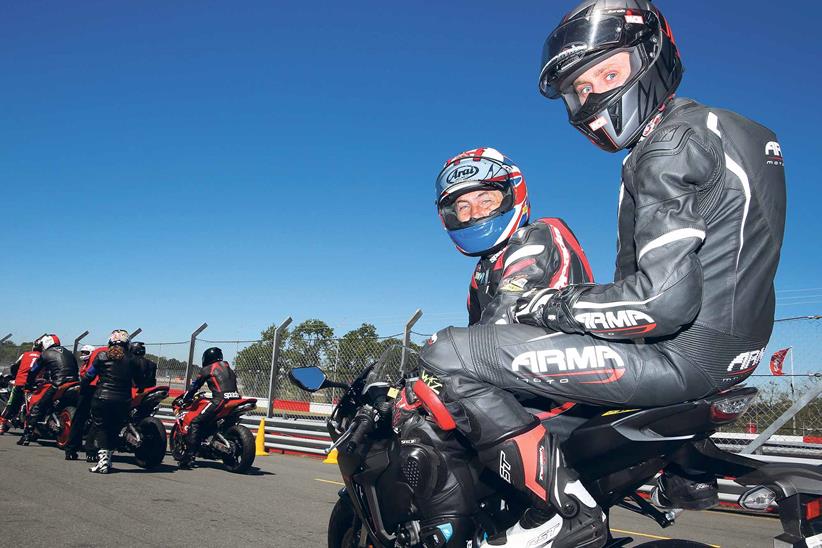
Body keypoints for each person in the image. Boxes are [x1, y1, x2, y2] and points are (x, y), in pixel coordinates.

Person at [419, 1, 786, 546]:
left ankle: (560, 511)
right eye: (580, 88)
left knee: (449, 351)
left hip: (680, 356)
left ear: (652, 54)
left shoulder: (666, 145)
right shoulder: (741, 129)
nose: (593, 97)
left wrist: (548, 306)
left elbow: (660, 302)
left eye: (608, 74)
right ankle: (683, 479)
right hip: (731, 348)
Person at [435, 147, 593, 326]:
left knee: (443, 347)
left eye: (485, 200)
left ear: (511, 195)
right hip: (513, 350)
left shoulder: (539, 234)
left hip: (561, 348)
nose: (475, 213)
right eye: (463, 207)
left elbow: (506, 316)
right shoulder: (481, 272)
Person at [82, 330, 144, 473]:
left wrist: (83, 388)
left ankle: (103, 462)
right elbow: (140, 381)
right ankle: (107, 460)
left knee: (102, 427)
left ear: (110, 343)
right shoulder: (133, 359)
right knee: (114, 428)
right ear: (127, 344)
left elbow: (88, 376)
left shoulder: (101, 356)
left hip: (102, 397)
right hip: (123, 399)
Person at [178, 347, 240, 469]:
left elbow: (194, 386)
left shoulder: (208, 369)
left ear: (207, 358)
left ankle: (189, 457)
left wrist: (185, 398)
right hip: (236, 400)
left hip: (221, 400)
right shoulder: (229, 368)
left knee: (195, 422)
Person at [19, 335, 79, 446]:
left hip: (59, 384)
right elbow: (75, 368)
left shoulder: (46, 354)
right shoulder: (69, 352)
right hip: (75, 383)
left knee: (37, 407)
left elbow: (34, 370)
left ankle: (26, 436)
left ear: (46, 343)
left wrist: (28, 383)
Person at [0, 339, 43, 434]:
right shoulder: (43, 356)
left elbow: (14, 367)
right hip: (36, 384)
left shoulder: (25, 354)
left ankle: (2, 423)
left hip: (20, 382)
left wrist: (16, 376)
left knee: (11, 403)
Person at [64, 344, 99, 460]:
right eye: (82, 352)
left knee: (80, 418)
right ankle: (88, 450)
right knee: (85, 418)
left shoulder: (99, 355)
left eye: (85, 353)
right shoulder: (100, 356)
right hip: (95, 388)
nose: (83, 355)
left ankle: (72, 449)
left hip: (90, 388)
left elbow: (89, 375)